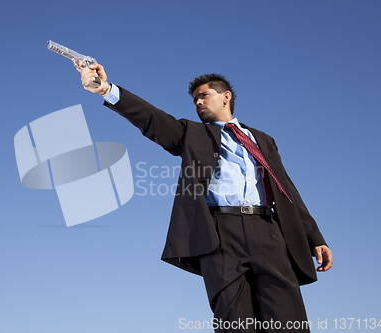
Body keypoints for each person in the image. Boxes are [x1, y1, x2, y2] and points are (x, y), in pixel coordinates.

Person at [77, 62, 333, 332]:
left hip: (268, 231)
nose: (198, 102)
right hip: (220, 234)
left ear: (226, 96)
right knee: (235, 322)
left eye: (204, 95)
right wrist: (105, 89)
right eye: (195, 99)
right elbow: (151, 119)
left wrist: (314, 238)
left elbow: (286, 189)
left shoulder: (262, 140)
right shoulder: (191, 133)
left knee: (288, 320)